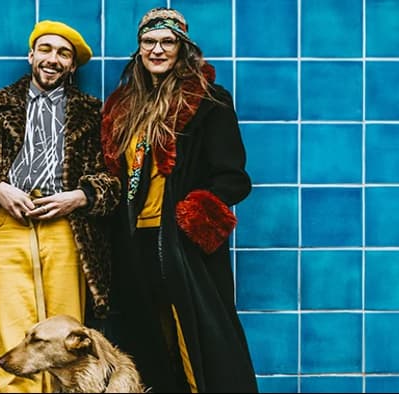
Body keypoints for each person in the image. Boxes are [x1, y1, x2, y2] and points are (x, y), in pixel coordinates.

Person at [0, 20, 120, 393]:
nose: (53, 59)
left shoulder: (95, 114)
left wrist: (80, 196)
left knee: (67, 341)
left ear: (73, 66)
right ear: (31, 55)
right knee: (13, 339)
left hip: (66, 228)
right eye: (45, 50)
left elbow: (115, 177)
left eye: (63, 54)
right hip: (5, 224)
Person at [100, 7, 258, 393]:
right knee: (148, 342)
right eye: (149, 42)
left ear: (182, 49)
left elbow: (233, 178)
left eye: (167, 42)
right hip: (134, 243)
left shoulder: (208, 102)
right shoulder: (123, 107)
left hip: (182, 246)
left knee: (202, 343)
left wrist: (192, 220)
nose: (157, 49)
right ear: (138, 49)